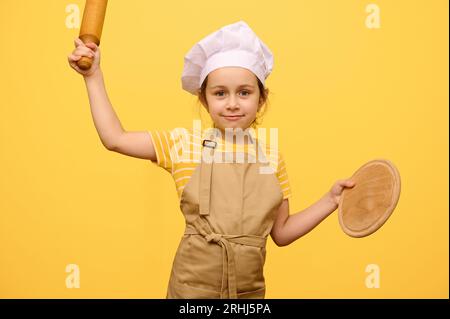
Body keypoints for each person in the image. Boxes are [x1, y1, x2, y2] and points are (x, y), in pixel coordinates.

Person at [67, 20, 356, 299]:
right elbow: (114, 138)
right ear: (204, 99)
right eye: (220, 93)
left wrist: (330, 200)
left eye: (244, 92)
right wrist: (93, 76)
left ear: (261, 99)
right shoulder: (183, 145)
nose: (232, 103)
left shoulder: (271, 157)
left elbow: (281, 233)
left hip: (248, 294)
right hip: (191, 290)